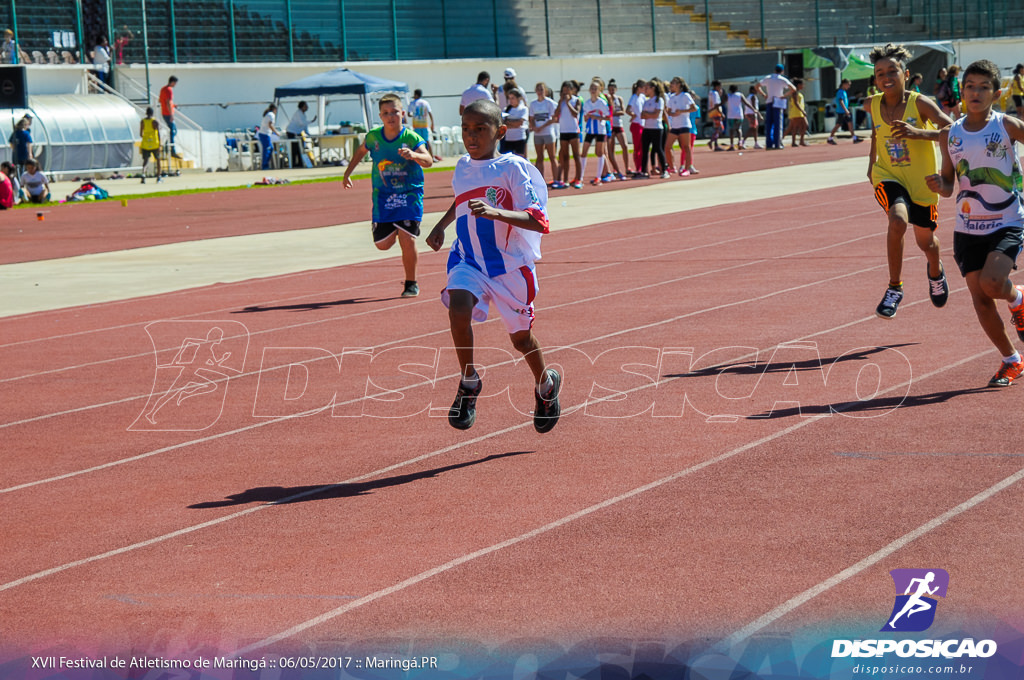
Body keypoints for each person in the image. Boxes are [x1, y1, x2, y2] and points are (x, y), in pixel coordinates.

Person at [425, 99, 561, 433]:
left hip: (508, 267)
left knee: (521, 340)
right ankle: (468, 382)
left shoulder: (512, 168)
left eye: (480, 129)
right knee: (458, 308)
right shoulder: (461, 166)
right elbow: (460, 201)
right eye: (466, 129)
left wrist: (496, 212)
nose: (471, 136)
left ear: (499, 132)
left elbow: (539, 220)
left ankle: (545, 386)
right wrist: (442, 225)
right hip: (468, 258)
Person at [926, 59, 1024, 386]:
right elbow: (949, 183)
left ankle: (1017, 298)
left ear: (996, 93)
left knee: (993, 284)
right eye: (970, 86)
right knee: (981, 300)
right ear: (962, 91)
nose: (976, 92)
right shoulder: (949, 134)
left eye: (984, 87)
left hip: (1007, 218)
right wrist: (939, 186)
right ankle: (1011, 360)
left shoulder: (1007, 126)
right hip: (968, 226)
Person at [867, 43, 953, 320]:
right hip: (888, 176)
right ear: (875, 78)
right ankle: (895, 287)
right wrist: (871, 167)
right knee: (897, 220)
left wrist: (918, 133)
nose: (886, 76)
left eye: (892, 70)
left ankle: (936, 270)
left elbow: (950, 129)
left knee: (926, 243)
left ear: (905, 73)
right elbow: (875, 136)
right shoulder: (873, 104)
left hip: (923, 182)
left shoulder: (920, 103)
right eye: (880, 73)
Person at [342, 93, 433, 298]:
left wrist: (414, 155)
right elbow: (360, 153)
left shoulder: (411, 137)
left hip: (409, 194)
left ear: (402, 114)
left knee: (407, 238)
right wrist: (347, 173)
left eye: (395, 112)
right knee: (382, 245)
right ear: (380, 116)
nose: (391, 116)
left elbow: (428, 161)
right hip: (383, 197)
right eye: (386, 113)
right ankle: (393, 228)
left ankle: (411, 283)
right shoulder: (373, 137)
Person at [756, 64, 796, 150]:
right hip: (778, 102)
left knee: (769, 123)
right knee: (778, 124)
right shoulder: (782, 79)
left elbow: (757, 86)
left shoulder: (768, 78)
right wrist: (784, 95)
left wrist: (764, 94)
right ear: (782, 71)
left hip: (769, 101)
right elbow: (793, 89)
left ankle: (769, 144)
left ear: (774, 70)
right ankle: (777, 143)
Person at [580, 79, 610, 185]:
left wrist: (596, 117)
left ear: (599, 90)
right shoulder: (587, 103)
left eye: (595, 88)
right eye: (592, 88)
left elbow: (608, 118)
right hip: (590, 130)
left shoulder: (602, 103)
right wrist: (587, 117)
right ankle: (580, 176)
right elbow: (585, 119)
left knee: (599, 152)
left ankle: (598, 177)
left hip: (600, 130)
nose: (593, 90)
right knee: (583, 152)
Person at [664, 76, 697, 176]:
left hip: (684, 124)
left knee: (686, 147)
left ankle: (687, 168)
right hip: (675, 125)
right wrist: (671, 113)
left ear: (679, 85)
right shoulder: (672, 97)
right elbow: (668, 110)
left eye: (673, 83)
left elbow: (694, 108)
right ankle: (671, 167)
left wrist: (682, 111)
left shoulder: (685, 95)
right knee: (667, 146)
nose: (671, 85)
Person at [554, 80, 582, 189]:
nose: (565, 92)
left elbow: (575, 113)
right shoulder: (560, 102)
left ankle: (578, 179)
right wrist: (561, 102)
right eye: (563, 90)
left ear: (571, 90)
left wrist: (568, 103)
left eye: (567, 90)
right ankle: (565, 179)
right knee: (565, 157)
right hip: (563, 131)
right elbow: (556, 114)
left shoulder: (576, 100)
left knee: (576, 155)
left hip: (574, 131)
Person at [530, 81, 559, 184]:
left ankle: (556, 179)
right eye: (538, 90)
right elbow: (531, 118)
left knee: (552, 156)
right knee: (539, 157)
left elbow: (553, 118)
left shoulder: (549, 103)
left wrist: (542, 127)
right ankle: (539, 181)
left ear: (545, 91)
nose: (540, 92)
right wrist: (534, 127)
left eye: (541, 89)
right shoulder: (533, 104)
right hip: (538, 134)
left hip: (548, 133)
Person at [639, 79, 667, 178]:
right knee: (645, 149)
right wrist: (649, 114)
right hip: (647, 128)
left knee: (659, 149)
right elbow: (642, 115)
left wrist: (648, 114)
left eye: (647, 88)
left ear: (653, 88)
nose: (645, 90)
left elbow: (656, 115)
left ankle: (664, 170)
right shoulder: (646, 101)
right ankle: (644, 171)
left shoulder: (659, 100)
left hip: (656, 128)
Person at [605, 78, 630, 179]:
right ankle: (615, 168)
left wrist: (614, 112)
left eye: (613, 89)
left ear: (616, 89)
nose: (612, 91)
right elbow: (608, 112)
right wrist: (614, 112)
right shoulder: (606, 98)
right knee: (611, 148)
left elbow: (623, 111)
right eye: (610, 89)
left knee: (625, 145)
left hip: (618, 125)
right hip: (611, 125)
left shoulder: (619, 98)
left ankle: (627, 166)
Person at [828, 79, 864, 145]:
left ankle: (854, 138)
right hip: (841, 111)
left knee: (850, 123)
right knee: (838, 125)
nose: (849, 86)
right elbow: (841, 101)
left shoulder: (844, 92)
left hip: (844, 111)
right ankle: (830, 138)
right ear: (844, 84)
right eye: (848, 85)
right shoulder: (840, 92)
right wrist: (846, 110)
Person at [409, 90, 440, 161]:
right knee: (427, 141)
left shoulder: (412, 103)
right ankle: (432, 157)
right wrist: (432, 123)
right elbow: (430, 113)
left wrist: (413, 115)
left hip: (416, 125)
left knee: (417, 142)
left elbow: (409, 114)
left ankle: (417, 158)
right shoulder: (426, 102)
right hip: (424, 125)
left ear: (416, 95)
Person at [500, 87, 529, 159]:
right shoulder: (506, 109)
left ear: (518, 98)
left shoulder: (523, 109)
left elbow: (519, 123)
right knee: (508, 160)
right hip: (509, 139)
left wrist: (509, 122)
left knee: (520, 159)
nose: (511, 100)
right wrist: (513, 123)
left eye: (513, 98)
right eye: (509, 98)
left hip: (519, 138)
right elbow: (503, 123)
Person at [285, 100, 315, 168]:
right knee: (294, 148)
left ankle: (300, 164)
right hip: (291, 132)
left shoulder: (303, 114)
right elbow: (302, 123)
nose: (307, 107)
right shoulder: (298, 113)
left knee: (300, 148)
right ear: (302, 107)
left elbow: (304, 126)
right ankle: (293, 164)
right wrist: (311, 121)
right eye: (305, 106)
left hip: (298, 133)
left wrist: (309, 134)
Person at [159, 76, 182, 158]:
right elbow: (168, 102)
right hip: (168, 114)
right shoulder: (169, 90)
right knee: (173, 130)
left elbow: (162, 101)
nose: (175, 85)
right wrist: (171, 114)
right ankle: (172, 149)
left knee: (172, 131)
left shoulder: (163, 89)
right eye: (175, 83)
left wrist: (173, 105)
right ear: (172, 82)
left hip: (164, 112)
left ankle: (168, 146)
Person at [627, 79, 646, 173]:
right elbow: (628, 109)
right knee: (637, 147)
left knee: (643, 147)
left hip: (643, 124)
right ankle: (638, 167)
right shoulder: (634, 97)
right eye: (644, 88)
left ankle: (642, 166)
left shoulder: (642, 97)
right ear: (639, 88)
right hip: (636, 124)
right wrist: (633, 115)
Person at [139, 106, 163, 183]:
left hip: (145, 143)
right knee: (158, 160)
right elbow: (158, 133)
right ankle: (159, 177)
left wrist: (146, 137)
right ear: (152, 113)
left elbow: (140, 134)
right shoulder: (155, 121)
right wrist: (160, 144)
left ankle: (143, 174)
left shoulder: (142, 121)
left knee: (145, 160)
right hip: (154, 143)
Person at [784, 78, 809, 147]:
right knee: (801, 126)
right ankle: (800, 141)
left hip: (798, 112)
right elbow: (796, 102)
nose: (803, 86)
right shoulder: (794, 92)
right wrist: (802, 110)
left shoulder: (797, 92)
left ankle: (794, 141)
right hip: (796, 112)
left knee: (793, 127)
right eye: (802, 84)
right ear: (798, 85)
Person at [257, 103, 280, 170]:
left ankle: (267, 163)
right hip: (265, 134)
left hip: (263, 134)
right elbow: (270, 125)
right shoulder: (271, 115)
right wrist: (276, 132)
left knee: (270, 148)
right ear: (274, 109)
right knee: (267, 149)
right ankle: (265, 165)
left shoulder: (268, 114)